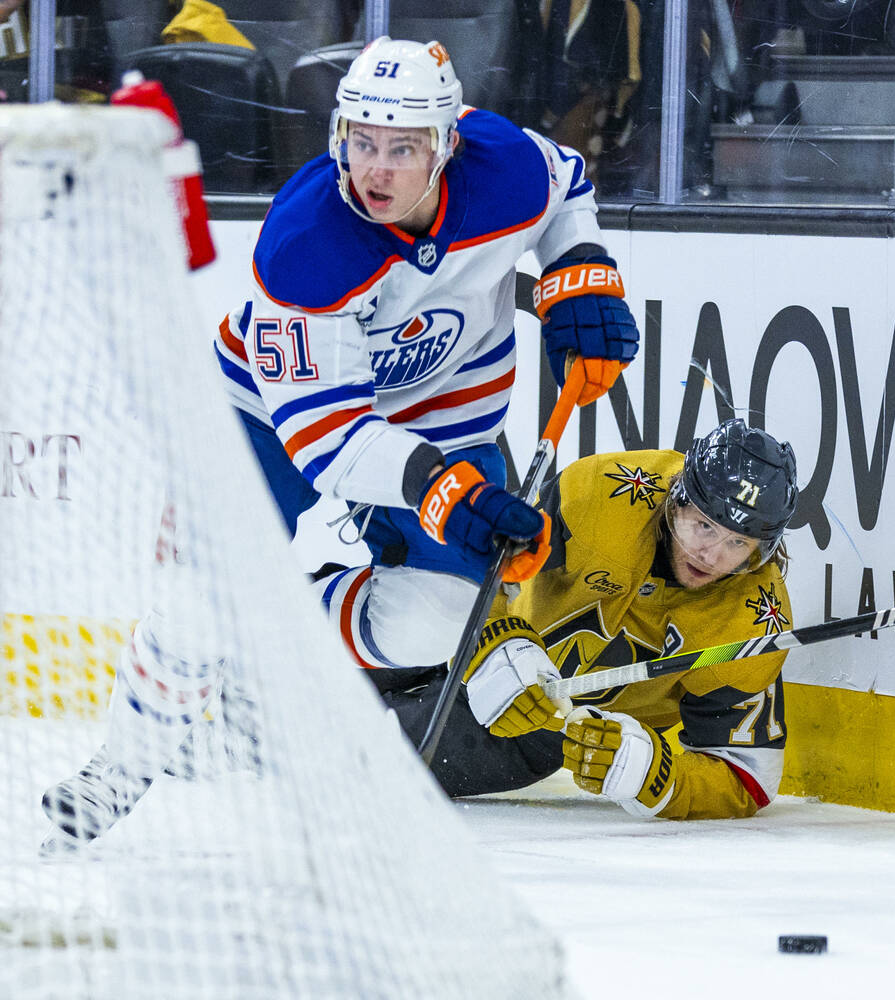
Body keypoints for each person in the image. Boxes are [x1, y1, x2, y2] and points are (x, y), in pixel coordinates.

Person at [41, 36, 639, 843]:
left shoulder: (505, 166)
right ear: (338, 137)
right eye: (361, 142)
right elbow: (328, 439)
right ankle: (121, 769)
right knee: (202, 587)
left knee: (447, 614)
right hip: (273, 411)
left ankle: (276, 642)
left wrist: (581, 271)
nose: (377, 170)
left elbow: (568, 185)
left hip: (449, 401)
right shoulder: (305, 244)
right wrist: (440, 486)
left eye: (402, 147)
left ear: (447, 144)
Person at [381, 418, 798, 820]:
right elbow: (478, 558)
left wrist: (654, 774)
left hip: (528, 727)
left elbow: (746, 777)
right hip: (464, 629)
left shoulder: (755, 620)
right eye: (704, 526)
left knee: (358, 752)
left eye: (737, 542)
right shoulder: (600, 496)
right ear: (678, 498)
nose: (711, 555)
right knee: (329, 653)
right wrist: (494, 642)